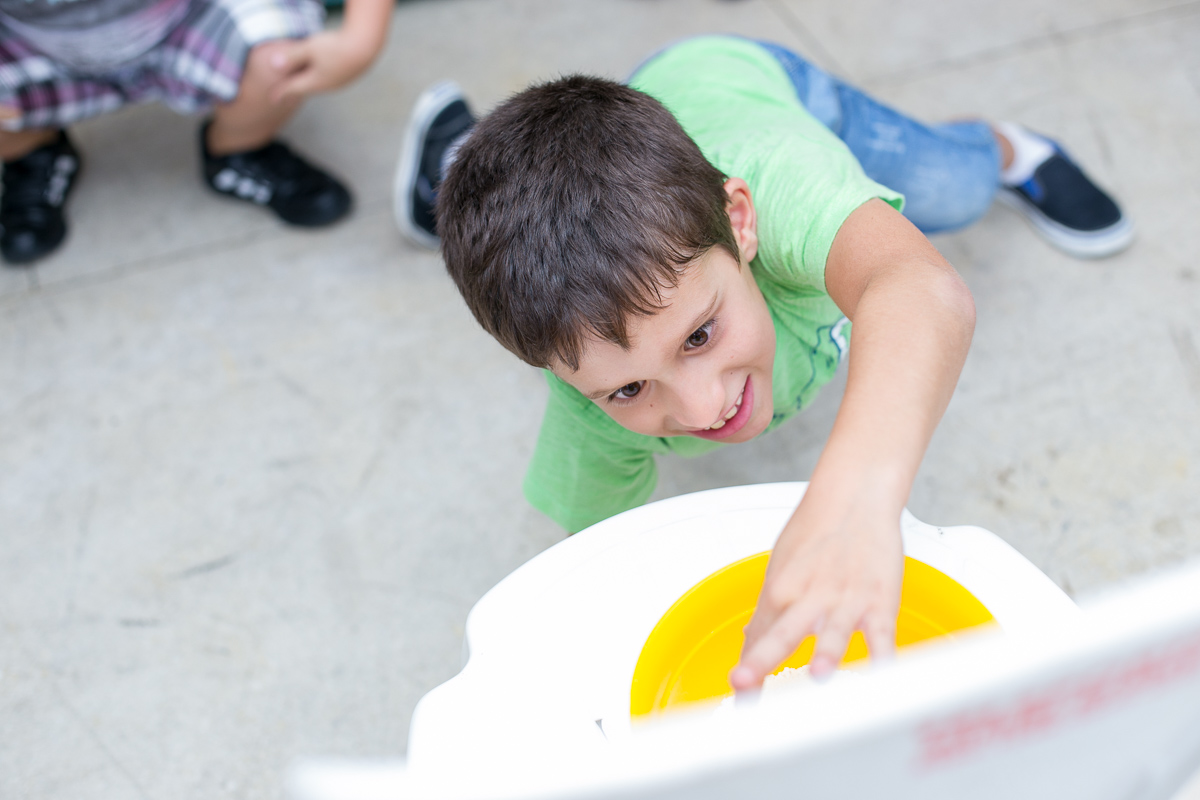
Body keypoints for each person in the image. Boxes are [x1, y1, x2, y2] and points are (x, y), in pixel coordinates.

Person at [394, 36, 1131, 690]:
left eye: (698, 336)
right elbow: (601, 558)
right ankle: (457, 157)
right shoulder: (588, 422)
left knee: (950, 188)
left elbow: (919, 289)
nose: (697, 408)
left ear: (740, 223)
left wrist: (852, 504)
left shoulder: (781, 185)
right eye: (627, 388)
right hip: (645, 144)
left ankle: (1012, 150)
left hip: (739, 77)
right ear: (561, 380)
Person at [0, 0, 392, 266]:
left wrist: (360, 40)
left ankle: (241, 149)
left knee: (281, 60)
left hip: (189, 11)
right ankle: (32, 154)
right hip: (24, 33)